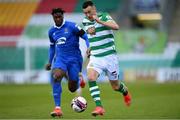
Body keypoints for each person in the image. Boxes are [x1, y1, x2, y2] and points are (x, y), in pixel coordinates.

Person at [82, 1, 132, 116]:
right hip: (96, 58)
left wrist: (99, 21)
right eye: (85, 13)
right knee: (90, 77)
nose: (88, 15)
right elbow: (91, 36)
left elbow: (116, 27)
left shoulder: (104, 16)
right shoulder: (85, 22)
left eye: (89, 12)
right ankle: (99, 107)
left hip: (110, 58)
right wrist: (90, 46)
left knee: (115, 86)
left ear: (94, 9)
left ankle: (125, 92)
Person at [45, 8, 89, 117]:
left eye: (60, 16)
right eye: (56, 17)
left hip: (75, 59)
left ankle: (78, 80)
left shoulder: (72, 26)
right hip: (61, 58)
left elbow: (85, 36)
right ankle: (58, 108)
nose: (58, 18)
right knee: (56, 76)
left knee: (72, 88)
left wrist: (89, 47)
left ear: (63, 16)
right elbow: (52, 47)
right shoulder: (51, 32)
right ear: (53, 17)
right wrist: (50, 62)